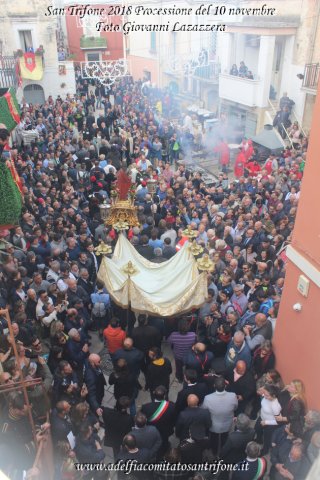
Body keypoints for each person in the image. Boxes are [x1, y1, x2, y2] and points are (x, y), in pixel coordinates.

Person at [202, 376, 238, 454]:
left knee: (214, 439)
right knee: (225, 437)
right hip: (227, 424)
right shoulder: (233, 396)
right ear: (225, 386)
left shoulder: (208, 398)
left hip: (214, 425)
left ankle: (214, 451)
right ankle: (222, 449)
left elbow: (204, 410)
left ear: (214, 386)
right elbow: (235, 407)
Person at [141, 385, 176, 454]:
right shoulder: (171, 406)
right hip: (166, 430)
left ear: (153, 394)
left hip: (153, 430)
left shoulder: (146, 407)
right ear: (164, 396)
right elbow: (174, 419)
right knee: (165, 441)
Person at [167, 318, 197, 382]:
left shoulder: (173, 335)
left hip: (178, 356)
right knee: (188, 367)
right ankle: (188, 378)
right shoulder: (193, 335)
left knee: (178, 368)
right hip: (189, 356)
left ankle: (180, 378)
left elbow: (169, 342)